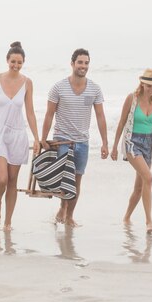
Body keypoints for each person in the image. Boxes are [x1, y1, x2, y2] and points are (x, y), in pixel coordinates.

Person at [41, 48, 109, 227]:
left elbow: (100, 116)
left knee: (77, 179)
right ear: (72, 64)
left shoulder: (94, 89)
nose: (83, 66)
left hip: (82, 141)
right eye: (80, 62)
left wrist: (105, 143)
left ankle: (69, 215)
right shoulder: (58, 87)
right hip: (62, 139)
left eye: (86, 63)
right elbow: (49, 114)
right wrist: (43, 138)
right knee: (66, 179)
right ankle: (63, 208)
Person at [0, 41, 40, 231]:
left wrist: (37, 138)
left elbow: (30, 112)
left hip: (17, 135)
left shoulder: (27, 83)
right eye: (13, 61)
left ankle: (8, 222)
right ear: (7, 60)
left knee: (13, 181)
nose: (16, 65)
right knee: (2, 180)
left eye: (19, 62)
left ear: (23, 62)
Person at [110, 68, 152, 233]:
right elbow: (121, 123)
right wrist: (114, 147)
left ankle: (126, 217)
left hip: (149, 144)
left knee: (140, 186)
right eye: (149, 86)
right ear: (142, 83)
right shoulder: (132, 98)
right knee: (148, 178)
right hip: (132, 142)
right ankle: (149, 221)